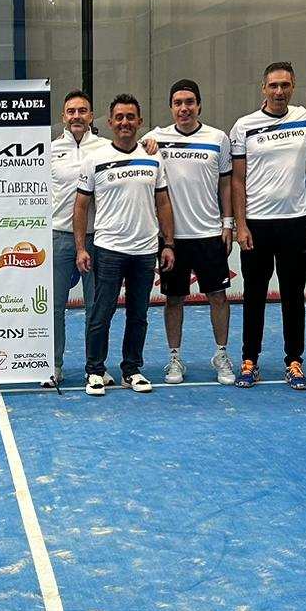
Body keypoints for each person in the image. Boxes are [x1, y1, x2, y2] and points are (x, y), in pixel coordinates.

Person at [73, 94, 175, 396]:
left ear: (139, 121)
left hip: (145, 252)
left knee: (138, 315)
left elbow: (163, 202)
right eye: (119, 117)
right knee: (101, 313)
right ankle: (95, 370)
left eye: (130, 117)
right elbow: (81, 206)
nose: (125, 122)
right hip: (108, 250)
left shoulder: (153, 157)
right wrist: (81, 248)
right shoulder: (95, 159)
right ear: (110, 122)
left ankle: (132, 370)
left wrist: (168, 243)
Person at [229, 61, 306, 390]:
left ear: (293, 87)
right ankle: (249, 360)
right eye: (273, 85)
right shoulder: (244, 126)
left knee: (293, 296)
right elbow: (237, 181)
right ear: (263, 88)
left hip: (295, 224)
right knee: (254, 295)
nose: (279, 91)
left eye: (285, 85)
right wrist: (240, 225)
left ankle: (294, 361)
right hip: (257, 225)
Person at [148, 79, 235, 386]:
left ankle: (221, 355)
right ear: (171, 107)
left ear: (199, 105)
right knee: (174, 299)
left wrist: (228, 223)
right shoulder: (155, 139)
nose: (183, 108)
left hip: (210, 234)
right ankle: (174, 358)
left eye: (189, 102)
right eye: (178, 103)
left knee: (218, 296)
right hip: (171, 239)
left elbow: (226, 183)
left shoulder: (218, 138)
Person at [46, 89, 111, 388]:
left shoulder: (106, 149)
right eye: (71, 111)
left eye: (82, 111)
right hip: (59, 236)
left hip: (97, 237)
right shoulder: (48, 151)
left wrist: (151, 144)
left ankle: (95, 367)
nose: (77, 116)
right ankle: (54, 365)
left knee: (96, 308)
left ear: (91, 116)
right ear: (63, 117)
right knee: (54, 306)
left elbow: (137, 151)